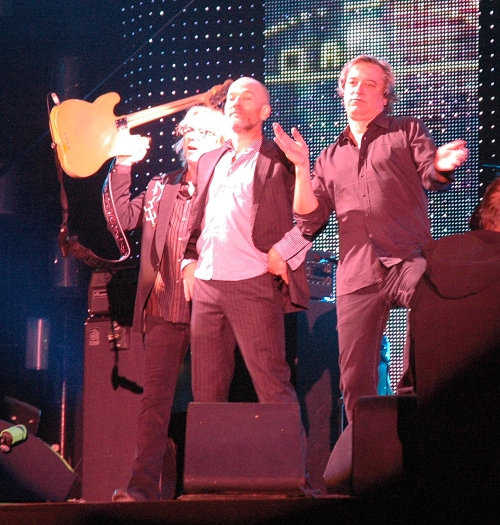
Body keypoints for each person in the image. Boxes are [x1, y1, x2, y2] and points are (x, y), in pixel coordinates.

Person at [273, 55, 469, 422]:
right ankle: (362, 462)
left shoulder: (405, 130)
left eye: (370, 84)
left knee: (431, 311)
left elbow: (431, 173)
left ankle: (416, 412)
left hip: (408, 258)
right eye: (352, 83)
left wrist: (440, 164)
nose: (358, 90)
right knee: (355, 380)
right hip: (358, 275)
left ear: (384, 97)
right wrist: (301, 167)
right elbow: (309, 217)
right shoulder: (329, 157)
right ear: (342, 91)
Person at [107, 105, 229, 502]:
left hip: (212, 308)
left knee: (211, 401)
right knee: (154, 405)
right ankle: (141, 489)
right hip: (164, 310)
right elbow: (121, 219)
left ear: (223, 143)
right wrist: (123, 164)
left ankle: (209, 487)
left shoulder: (229, 184)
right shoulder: (162, 186)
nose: (192, 136)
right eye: (188, 130)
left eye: (204, 132)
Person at [182, 77, 310, 405]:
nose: (236, 103)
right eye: (232, 98)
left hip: (252, 283)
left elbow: (314, 215)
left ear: (265, 110)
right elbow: (196, 221)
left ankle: (287, 458)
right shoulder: (210, 160)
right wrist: (188, 262)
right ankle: (212, 459)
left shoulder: (279, 157)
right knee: (206, 396)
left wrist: (287, 251)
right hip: (208, 285)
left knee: (272, 386)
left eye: (247, 98)